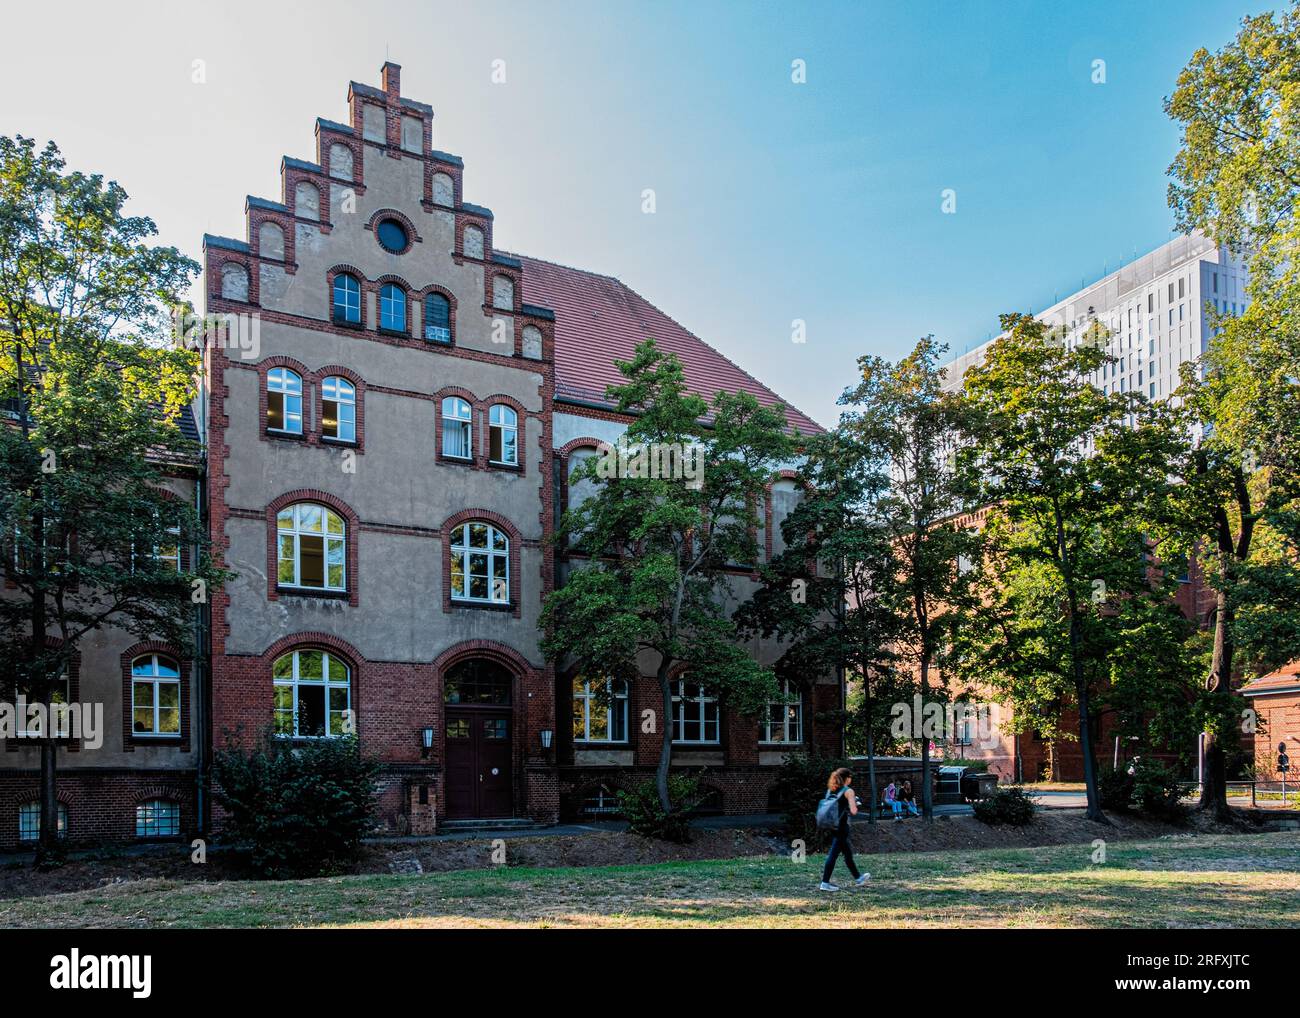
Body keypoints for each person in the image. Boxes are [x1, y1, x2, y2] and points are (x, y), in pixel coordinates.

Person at [819, 767, 870, 892]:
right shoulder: (848, 791)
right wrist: (854, 803)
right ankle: (825, 883)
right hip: (841, 827)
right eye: (850, 776)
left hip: (831, 825)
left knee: (847, 853)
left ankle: (858, 877)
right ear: (846, 778)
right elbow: (853, 811)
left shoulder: (831, 789)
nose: (851, 779)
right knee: (833, 854)